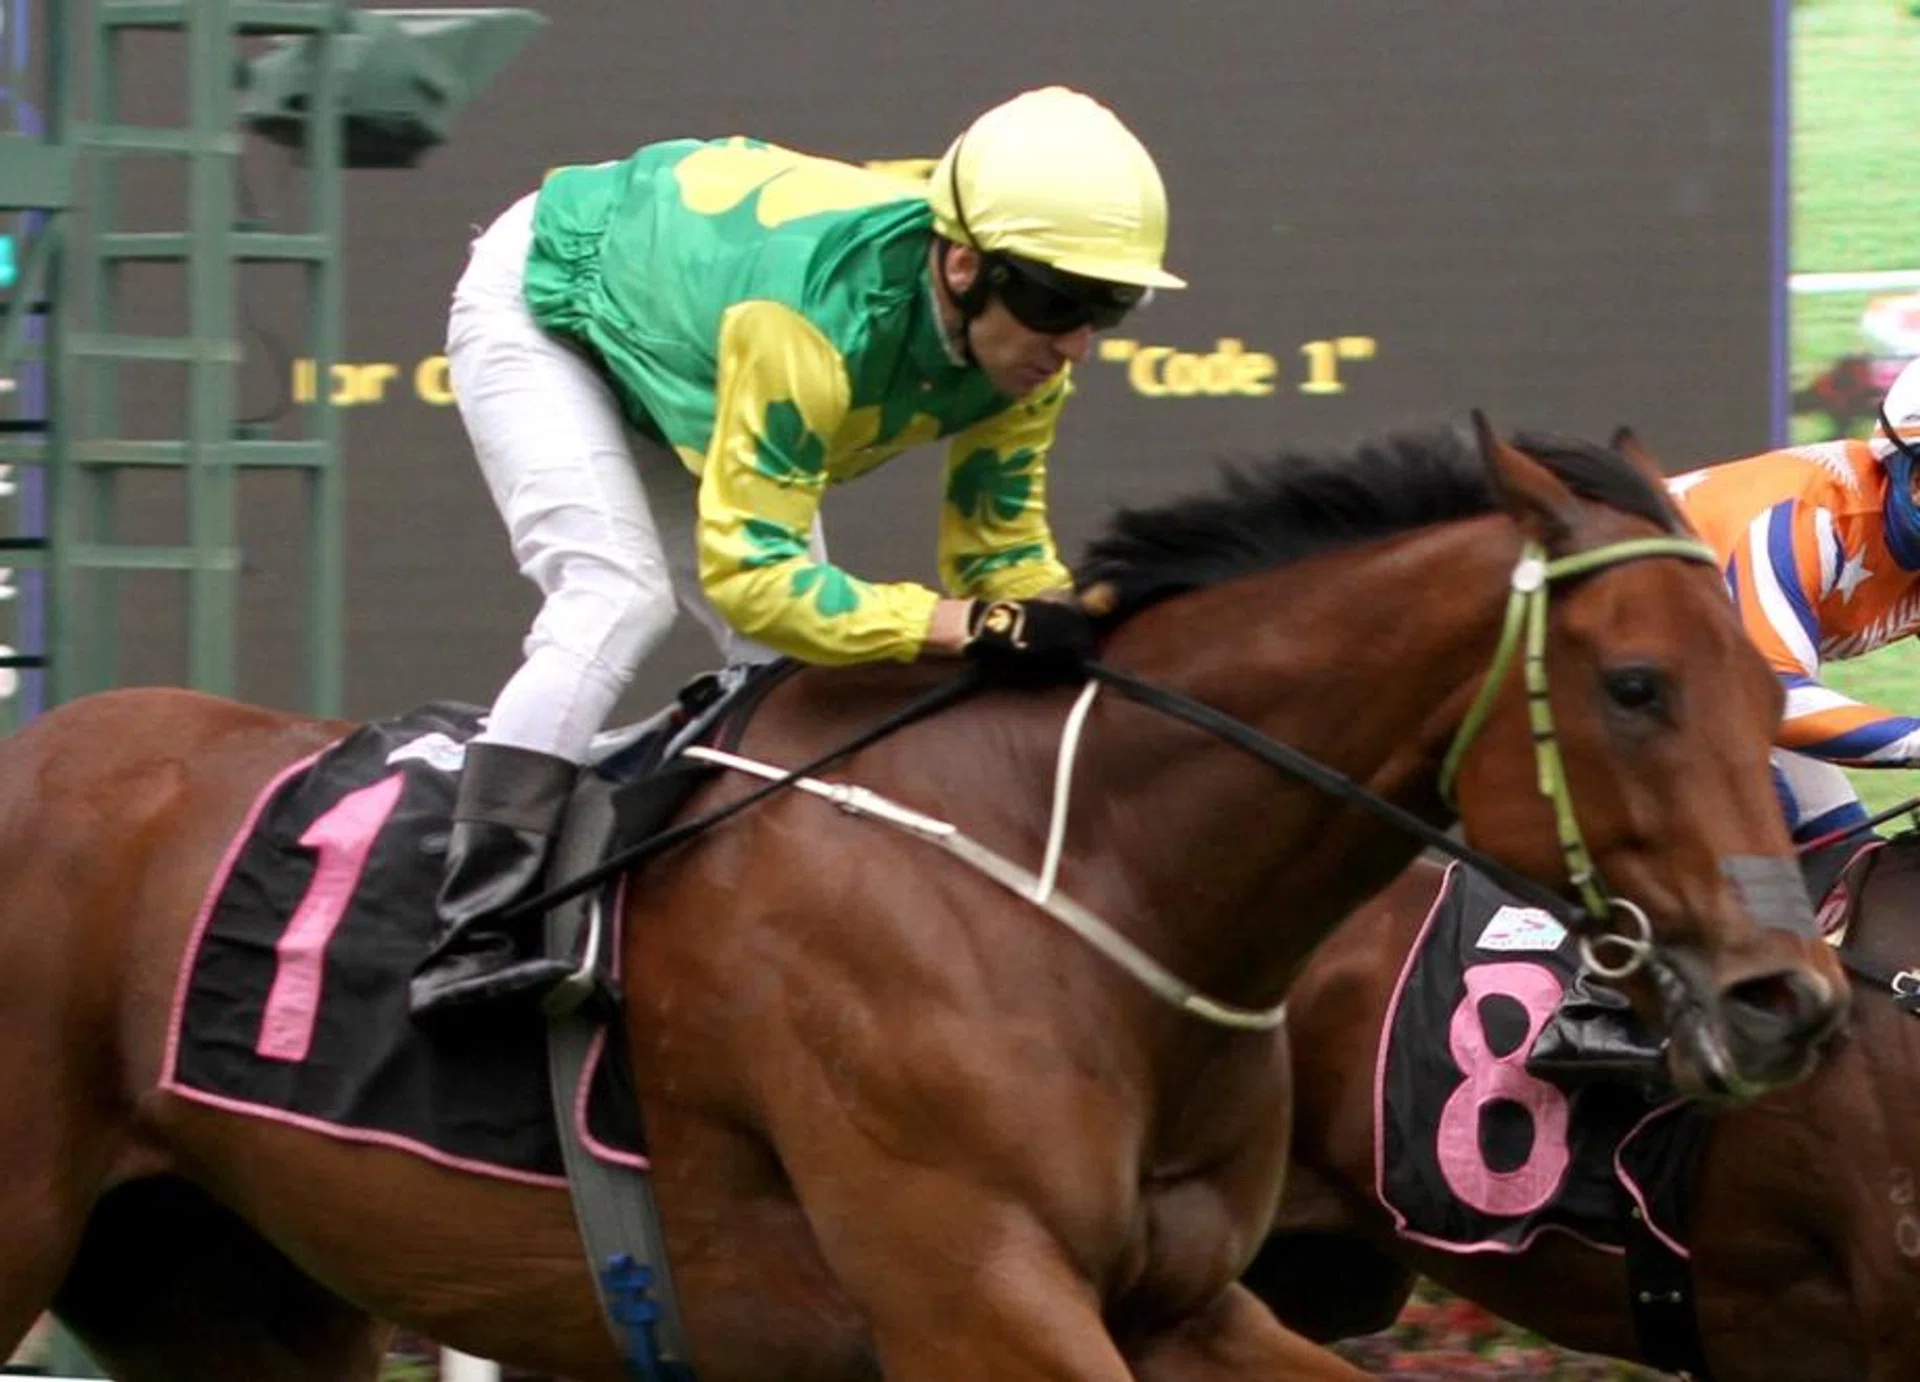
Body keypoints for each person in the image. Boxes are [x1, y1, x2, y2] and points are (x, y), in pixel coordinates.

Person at [410, 86, 1186, 1018]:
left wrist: (1081, 627)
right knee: (617, 594)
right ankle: (470, 934)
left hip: (695, 341)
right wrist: (955, 627)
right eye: (1059, 303)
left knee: (781, 680)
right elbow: (757, 580)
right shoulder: (812, 322)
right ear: (965, 264)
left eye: (1109, 310)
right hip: (553, 306)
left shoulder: (1031, 358)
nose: (1076, 346)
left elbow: (999, 557)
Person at [1668, 353, 1920, 868]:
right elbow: (1776, 698)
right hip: (1593, 660)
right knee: (1763, 812)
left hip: (1710, 678)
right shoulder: (1802, 519)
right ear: (1893, 460)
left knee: (1849, 867)